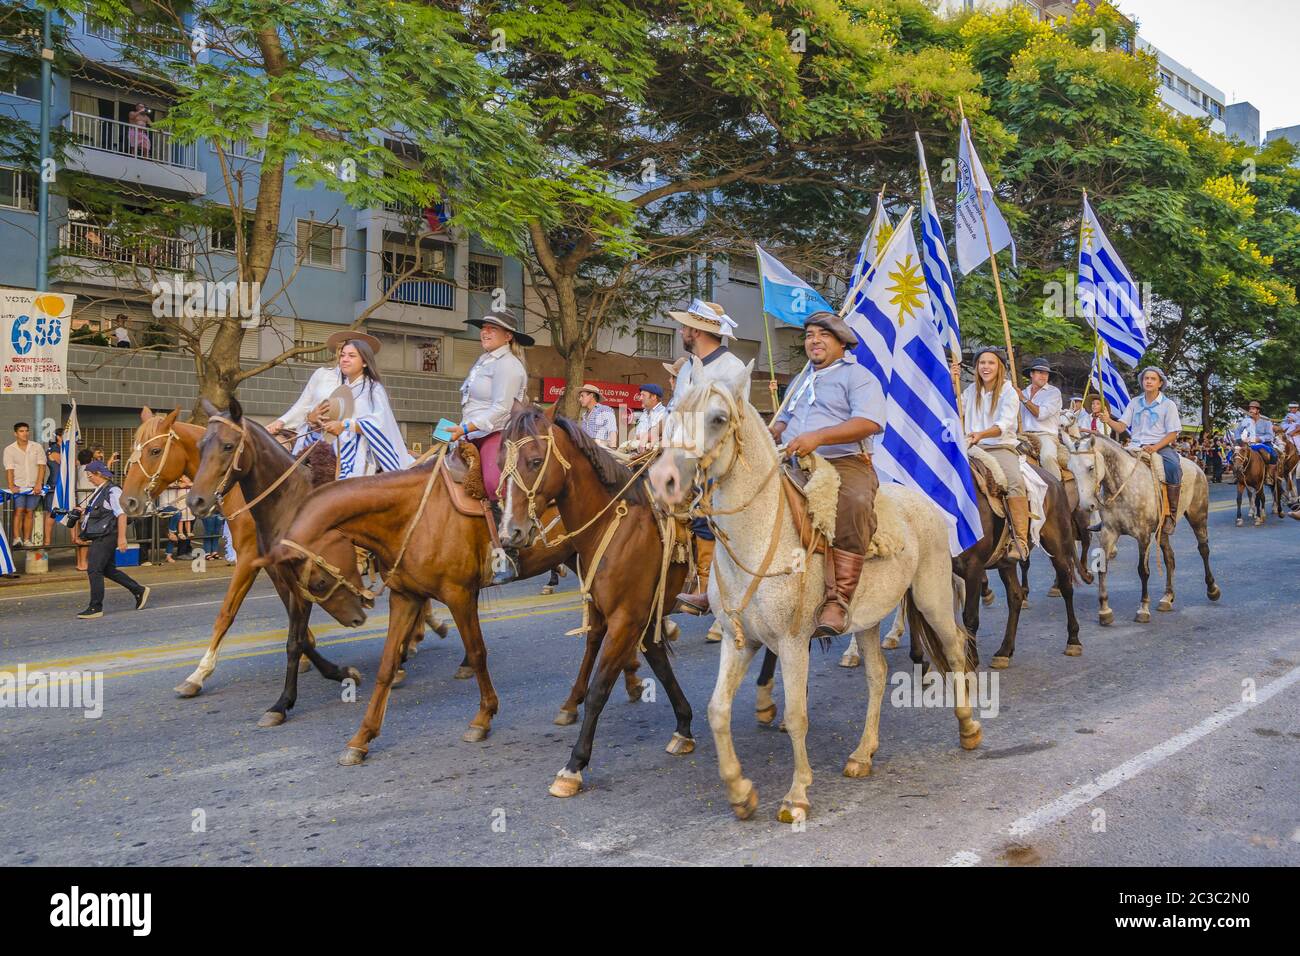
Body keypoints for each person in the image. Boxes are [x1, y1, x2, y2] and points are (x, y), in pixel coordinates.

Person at [769, 312, 883, 637]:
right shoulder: (802, 378)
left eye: (823, 335)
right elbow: (784, 420)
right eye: (809, 335)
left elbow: (869, 422)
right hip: (792, 460)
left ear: (841, 343)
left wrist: (818, 438)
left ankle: (838, 599)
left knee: (856, 500)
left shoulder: (858, 376)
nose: (814, 341)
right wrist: (770, 433)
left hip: (844, 461)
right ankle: (717, 580)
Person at [667, 299, 749, 621]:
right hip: (681, 452)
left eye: (685, 325)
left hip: (715, 458)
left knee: (710, 522)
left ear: (697, 330)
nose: (681, 330)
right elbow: (677, 410)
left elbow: (729, 421)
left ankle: (716, 596)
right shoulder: (688, 366)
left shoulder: (731, 368)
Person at [447, 308, 533, 584]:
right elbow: (471, 405)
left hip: (496, 432)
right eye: (483, 327)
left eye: (492, 329)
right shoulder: (484, 361)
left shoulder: (508, 364)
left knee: (494, 482)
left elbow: (499, 410)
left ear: (508, 336)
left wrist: (467, 429)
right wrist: (460, 431)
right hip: (470, 432)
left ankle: (507, 556)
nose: (484, 332)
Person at [952, 347, 1031, 561]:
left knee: (1014, 481)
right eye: (982, 363)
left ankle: (1020, 539)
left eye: (991, 363)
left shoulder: (1008, 391)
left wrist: (981, 434)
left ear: (1000, 367)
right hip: (970, 447)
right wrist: (952, 382)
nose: (985, 367)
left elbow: (1004, 424)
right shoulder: (970, 391)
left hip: (999, 447)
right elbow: (955, 409)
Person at [1098, 367, 1183, 536]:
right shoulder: (1135, 402)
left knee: (1173, 467)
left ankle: (1170, 515)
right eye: (1146, 379)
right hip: (1134, 446)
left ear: (1160, 383)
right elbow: (1122, 426)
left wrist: (1155, 447)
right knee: (1107, 466)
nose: (1149, 381)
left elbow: (1173, 432)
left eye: (1152, 379)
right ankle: (1106, 513)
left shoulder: (1168, 404)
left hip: (1159, 447)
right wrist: (1108, 420)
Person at [268, 329, 380, 452]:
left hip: (352, 447)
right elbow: (303, 404)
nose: (345, 356)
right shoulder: (322, 374)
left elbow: (374, 421)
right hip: (314, 438)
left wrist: (343, 425)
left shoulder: (369, 386)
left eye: (352, 353)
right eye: (343, 350)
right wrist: (285, 421)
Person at [324, 338, 413, 479]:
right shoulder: (343, 390)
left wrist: (344, 425)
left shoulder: (374, 389)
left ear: (365, 362)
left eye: (351, 356)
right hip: (341, 453)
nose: (345, 359)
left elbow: (378, 424)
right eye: (343, 355)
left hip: (368, 459)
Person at [76, 460, 149, 619]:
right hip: (102, 534)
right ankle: (138, 590)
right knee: (108, 570)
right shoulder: (99, 491)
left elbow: (121, 514)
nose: (89, 478)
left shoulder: (113, 491)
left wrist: (122, 538)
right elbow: (102, 512)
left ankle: (96, 607)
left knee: (94, 569)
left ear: (99, 474)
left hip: (107, 535)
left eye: (90, 475)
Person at [1018, 357, 1063, 480]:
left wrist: (1022, 398)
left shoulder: (1054, 392)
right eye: (1039, 372)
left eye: (1046, 373)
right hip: (1023, 435)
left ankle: (1058, 489)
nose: (1043, 376)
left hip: (1046, 435)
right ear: (1031, 374)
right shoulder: (1023, 392)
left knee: (1047, 457)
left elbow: (1040, 414)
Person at [5, 422, 47, 548]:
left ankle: (27, 539)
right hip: (19, 486)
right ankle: (17, 539)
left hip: (34, 487)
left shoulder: (37, 447)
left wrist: (39, 484)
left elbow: (42, 467)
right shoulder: (9, 449)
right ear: (15, 433)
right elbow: (9, 469)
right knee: (19, 511)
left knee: (29, 512)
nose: (25, 433)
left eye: (27, 430)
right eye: (22, 431)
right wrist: (11, 485)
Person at [633, 383, 667, 451]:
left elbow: (659, 438)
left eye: (643, 395)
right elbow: (637, 435)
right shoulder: (644, 414)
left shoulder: (665, 413)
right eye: (641, 395)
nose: (641, 398)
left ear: (654, 397)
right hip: (640, 455)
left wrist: (642, 437)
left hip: (656, 458)